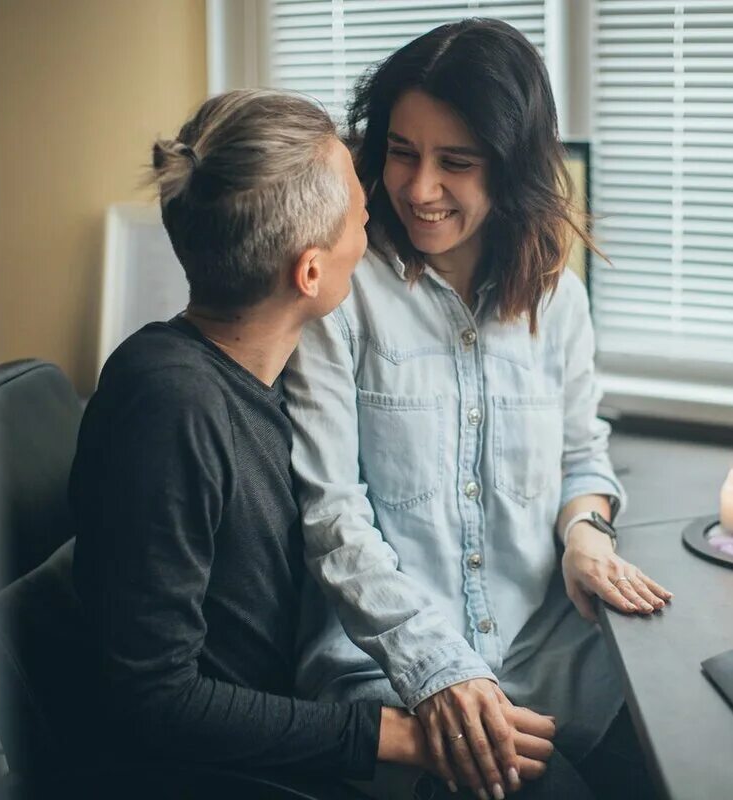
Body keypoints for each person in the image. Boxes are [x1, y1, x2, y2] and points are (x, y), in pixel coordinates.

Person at [286, 20, 669, 799]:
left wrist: (586, 535)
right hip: (392, 672)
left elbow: (581, 453)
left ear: (512, 168)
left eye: (455, 163)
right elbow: (332, 515)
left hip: (548, 652)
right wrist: (439, 668)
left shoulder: (555, 297)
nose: (420, 188)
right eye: (401, 152)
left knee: (689, 757)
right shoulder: (341, 293)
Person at [70, 88, 491, 782]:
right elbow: (152, 699)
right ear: (312, 272)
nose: (371, 211)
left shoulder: (276, 379)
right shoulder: (169, 405)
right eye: (358, 210)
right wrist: (393, 735)